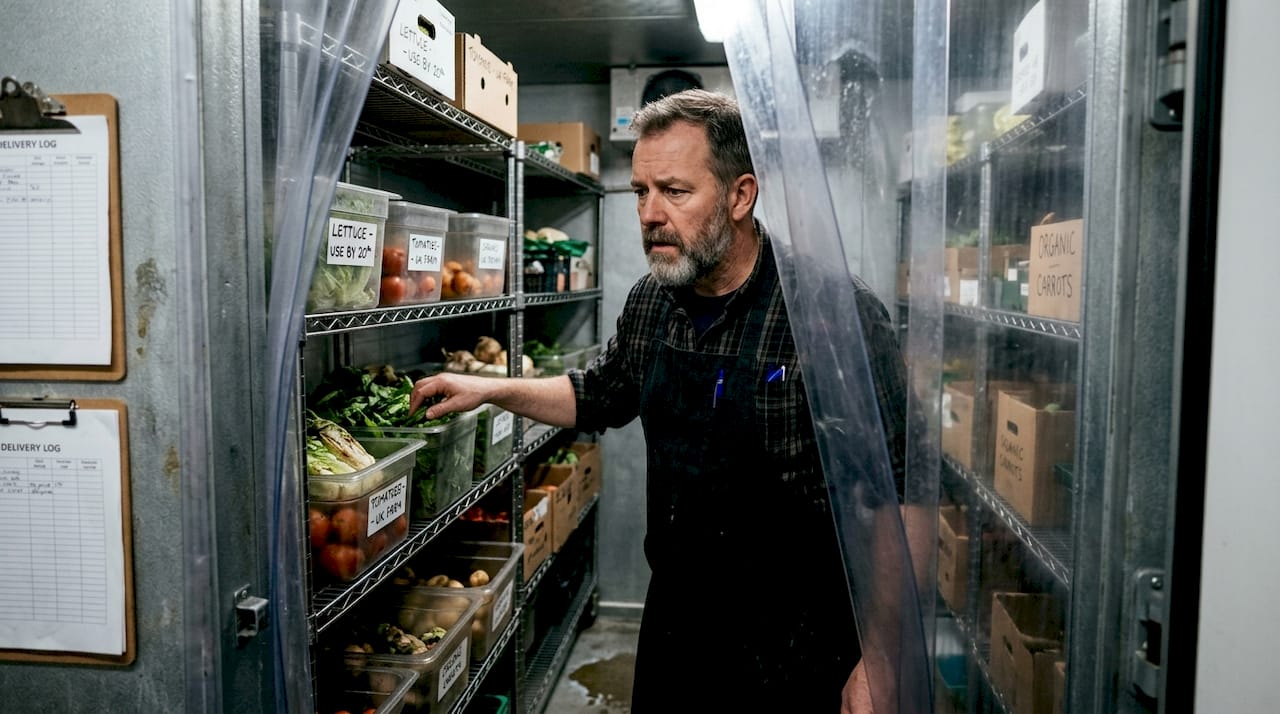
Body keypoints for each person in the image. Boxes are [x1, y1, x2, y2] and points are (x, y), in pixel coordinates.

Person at [410, 89, 907, 713]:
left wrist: (881, 656)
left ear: (740, 196)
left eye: (674, 191)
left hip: (799, 637)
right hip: (678, 620)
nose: (649, 214)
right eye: (640, 192)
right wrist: (491, 389)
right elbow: (599, 394)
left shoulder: (835, 315)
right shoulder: (653, 301)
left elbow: (900, 495)